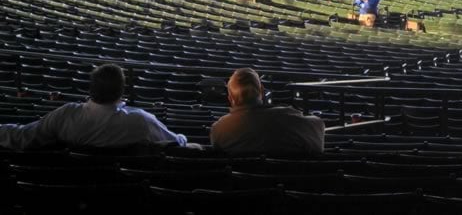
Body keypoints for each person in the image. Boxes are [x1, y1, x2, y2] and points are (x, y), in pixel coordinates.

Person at [0, 64, 187, 150]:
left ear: (91, 89)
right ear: (121, 92)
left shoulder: (66, 114)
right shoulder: (141, 121)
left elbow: (24, 136)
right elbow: (176, 143)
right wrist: (185, 139)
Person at [209, 68, 324, 156]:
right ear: (262, 91)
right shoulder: (291, 118)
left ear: (230, 98)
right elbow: (318, 134)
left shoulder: (219, 129)